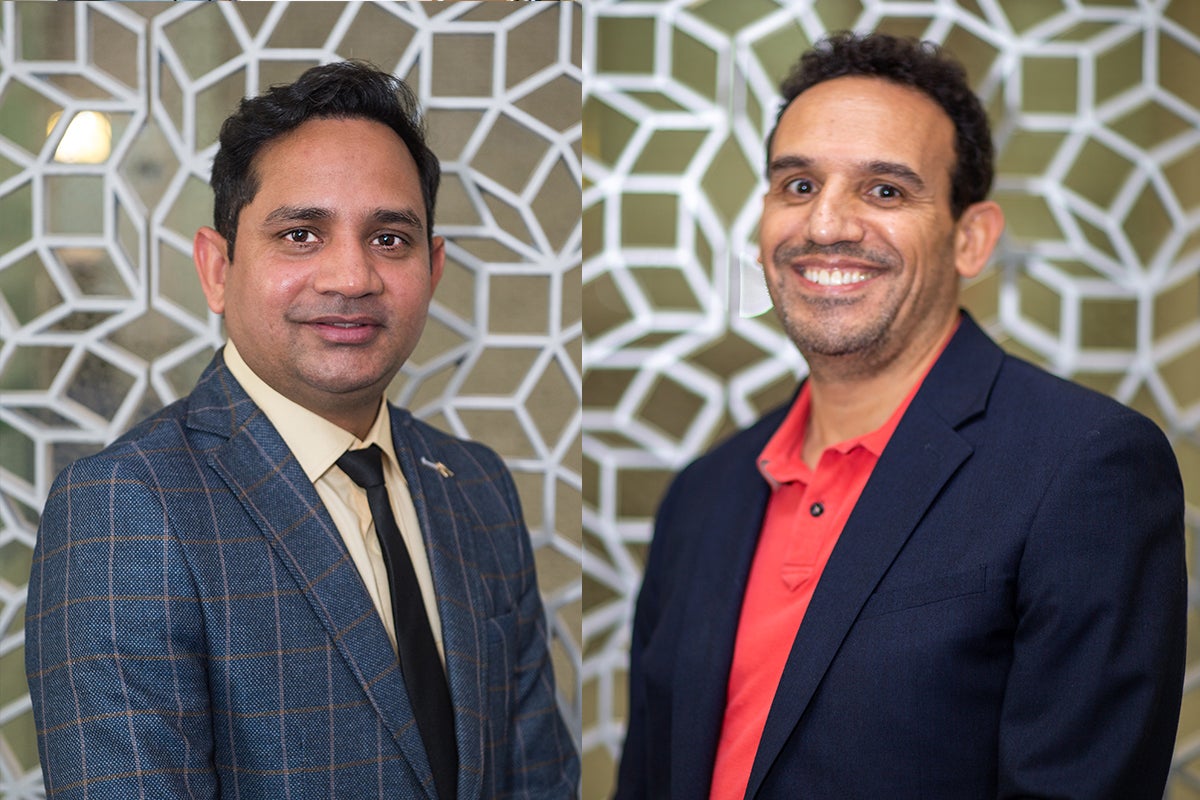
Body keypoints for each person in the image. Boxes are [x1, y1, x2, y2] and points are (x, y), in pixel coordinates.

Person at [615, 32, 1185, 799]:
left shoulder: (1085, 466)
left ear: (971, 240)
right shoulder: (702, 493)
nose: (826, 225)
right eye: (798, 185)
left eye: (884, 191)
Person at [26, 61, 579, 799]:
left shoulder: (477, 488)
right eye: (300, 234)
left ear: (434, 268)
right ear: (217, 268)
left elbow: (537, 780)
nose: (351, 277)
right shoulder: (124, 509)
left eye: (390, 239)